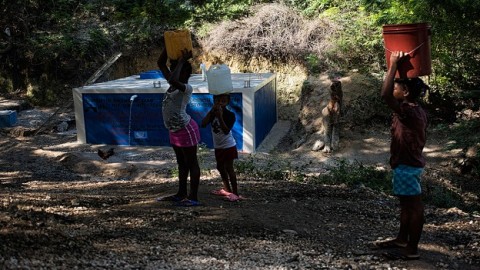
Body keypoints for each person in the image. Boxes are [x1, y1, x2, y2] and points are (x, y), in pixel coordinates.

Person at [375, 51, 429, 260]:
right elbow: (389, 95)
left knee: (414, 207)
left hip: (407, 165)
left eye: (397, 86)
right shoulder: (413, 109)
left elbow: (384, 95)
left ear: (405, 91)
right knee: (406, 204)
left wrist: (393, 65)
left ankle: (412, 249)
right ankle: (402, 239)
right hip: (406, 164)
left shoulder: (409, 111)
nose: (393, 89)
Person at [156, 46, 201, 207]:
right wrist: (167, 46)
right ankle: (181, 193)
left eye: (175, 69)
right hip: (174, 130)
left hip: (186, 129)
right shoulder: (173, 85)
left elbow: (173, 79)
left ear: (184, 73)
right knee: (181, 163)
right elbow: (161, 63)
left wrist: (182, 61)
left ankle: (193, 197)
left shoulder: (185, 88)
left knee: (192, 163)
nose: (172, 72)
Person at [201, 94, 241, 202]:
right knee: (220, 167)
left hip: (228, 145)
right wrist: (212, 111)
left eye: (223, 100)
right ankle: (227, 190)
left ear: (228, 102)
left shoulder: (230, 115)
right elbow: (203, 124)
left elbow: (226, 130)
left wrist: (220, 116)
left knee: (229, 168)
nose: (220, 102)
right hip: (218, 146)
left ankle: (235, 193)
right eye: (218, 100)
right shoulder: (213, 113)